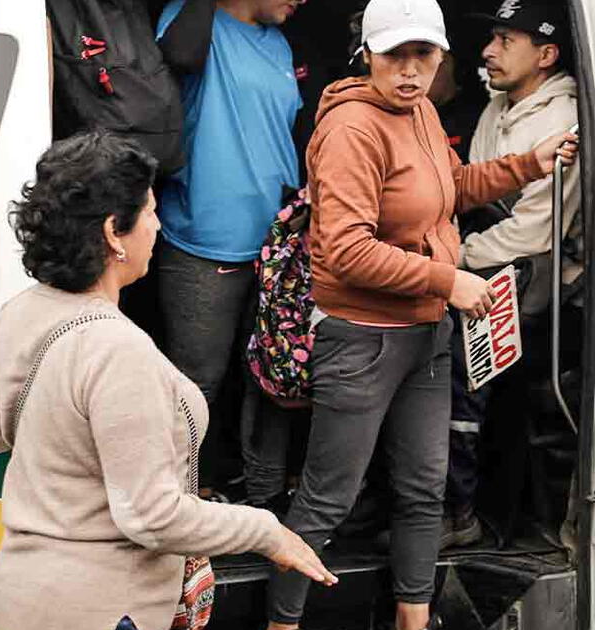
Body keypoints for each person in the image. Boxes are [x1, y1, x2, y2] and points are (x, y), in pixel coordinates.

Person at [265, 0, 577, 627]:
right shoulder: (352, 128)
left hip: (426, 334)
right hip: (362, 338)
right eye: (395, 55)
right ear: (367, 56)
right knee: (328, 499)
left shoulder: (423, 112)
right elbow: (345, 250)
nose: (410, 70)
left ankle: (413, 620)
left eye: (424, 55)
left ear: (440, 57)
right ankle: (282, 622)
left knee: (422, 494)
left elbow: (450, 189)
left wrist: (527, 164)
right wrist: (450, 279)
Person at [0, 131, 335, 630]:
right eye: (150, 211)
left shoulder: (19, 313)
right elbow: (151, 515)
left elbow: (9, 432)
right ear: (113, 232)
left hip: (25, 591)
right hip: (103, 607)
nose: (159, 223)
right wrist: (266, 530)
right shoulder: (117, 350)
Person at [442, 0, 581, 549]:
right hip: (483, 264)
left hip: (537, 282)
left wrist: (453, 259)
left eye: (506, 41)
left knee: (460, 381)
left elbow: (532, 236)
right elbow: (474, 187)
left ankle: (460, 512)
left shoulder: (564, 121)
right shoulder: (498, 106)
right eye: (492, 38)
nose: (487, 52)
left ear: (546, 54)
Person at [154, 0, 307, 493]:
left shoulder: (278, 42)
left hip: (276, 249)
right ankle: (178, 503)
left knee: (274, 379)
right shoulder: (194, 21)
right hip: (206, 241)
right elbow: (177, 55)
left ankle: (263, 500)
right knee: (197, 383)